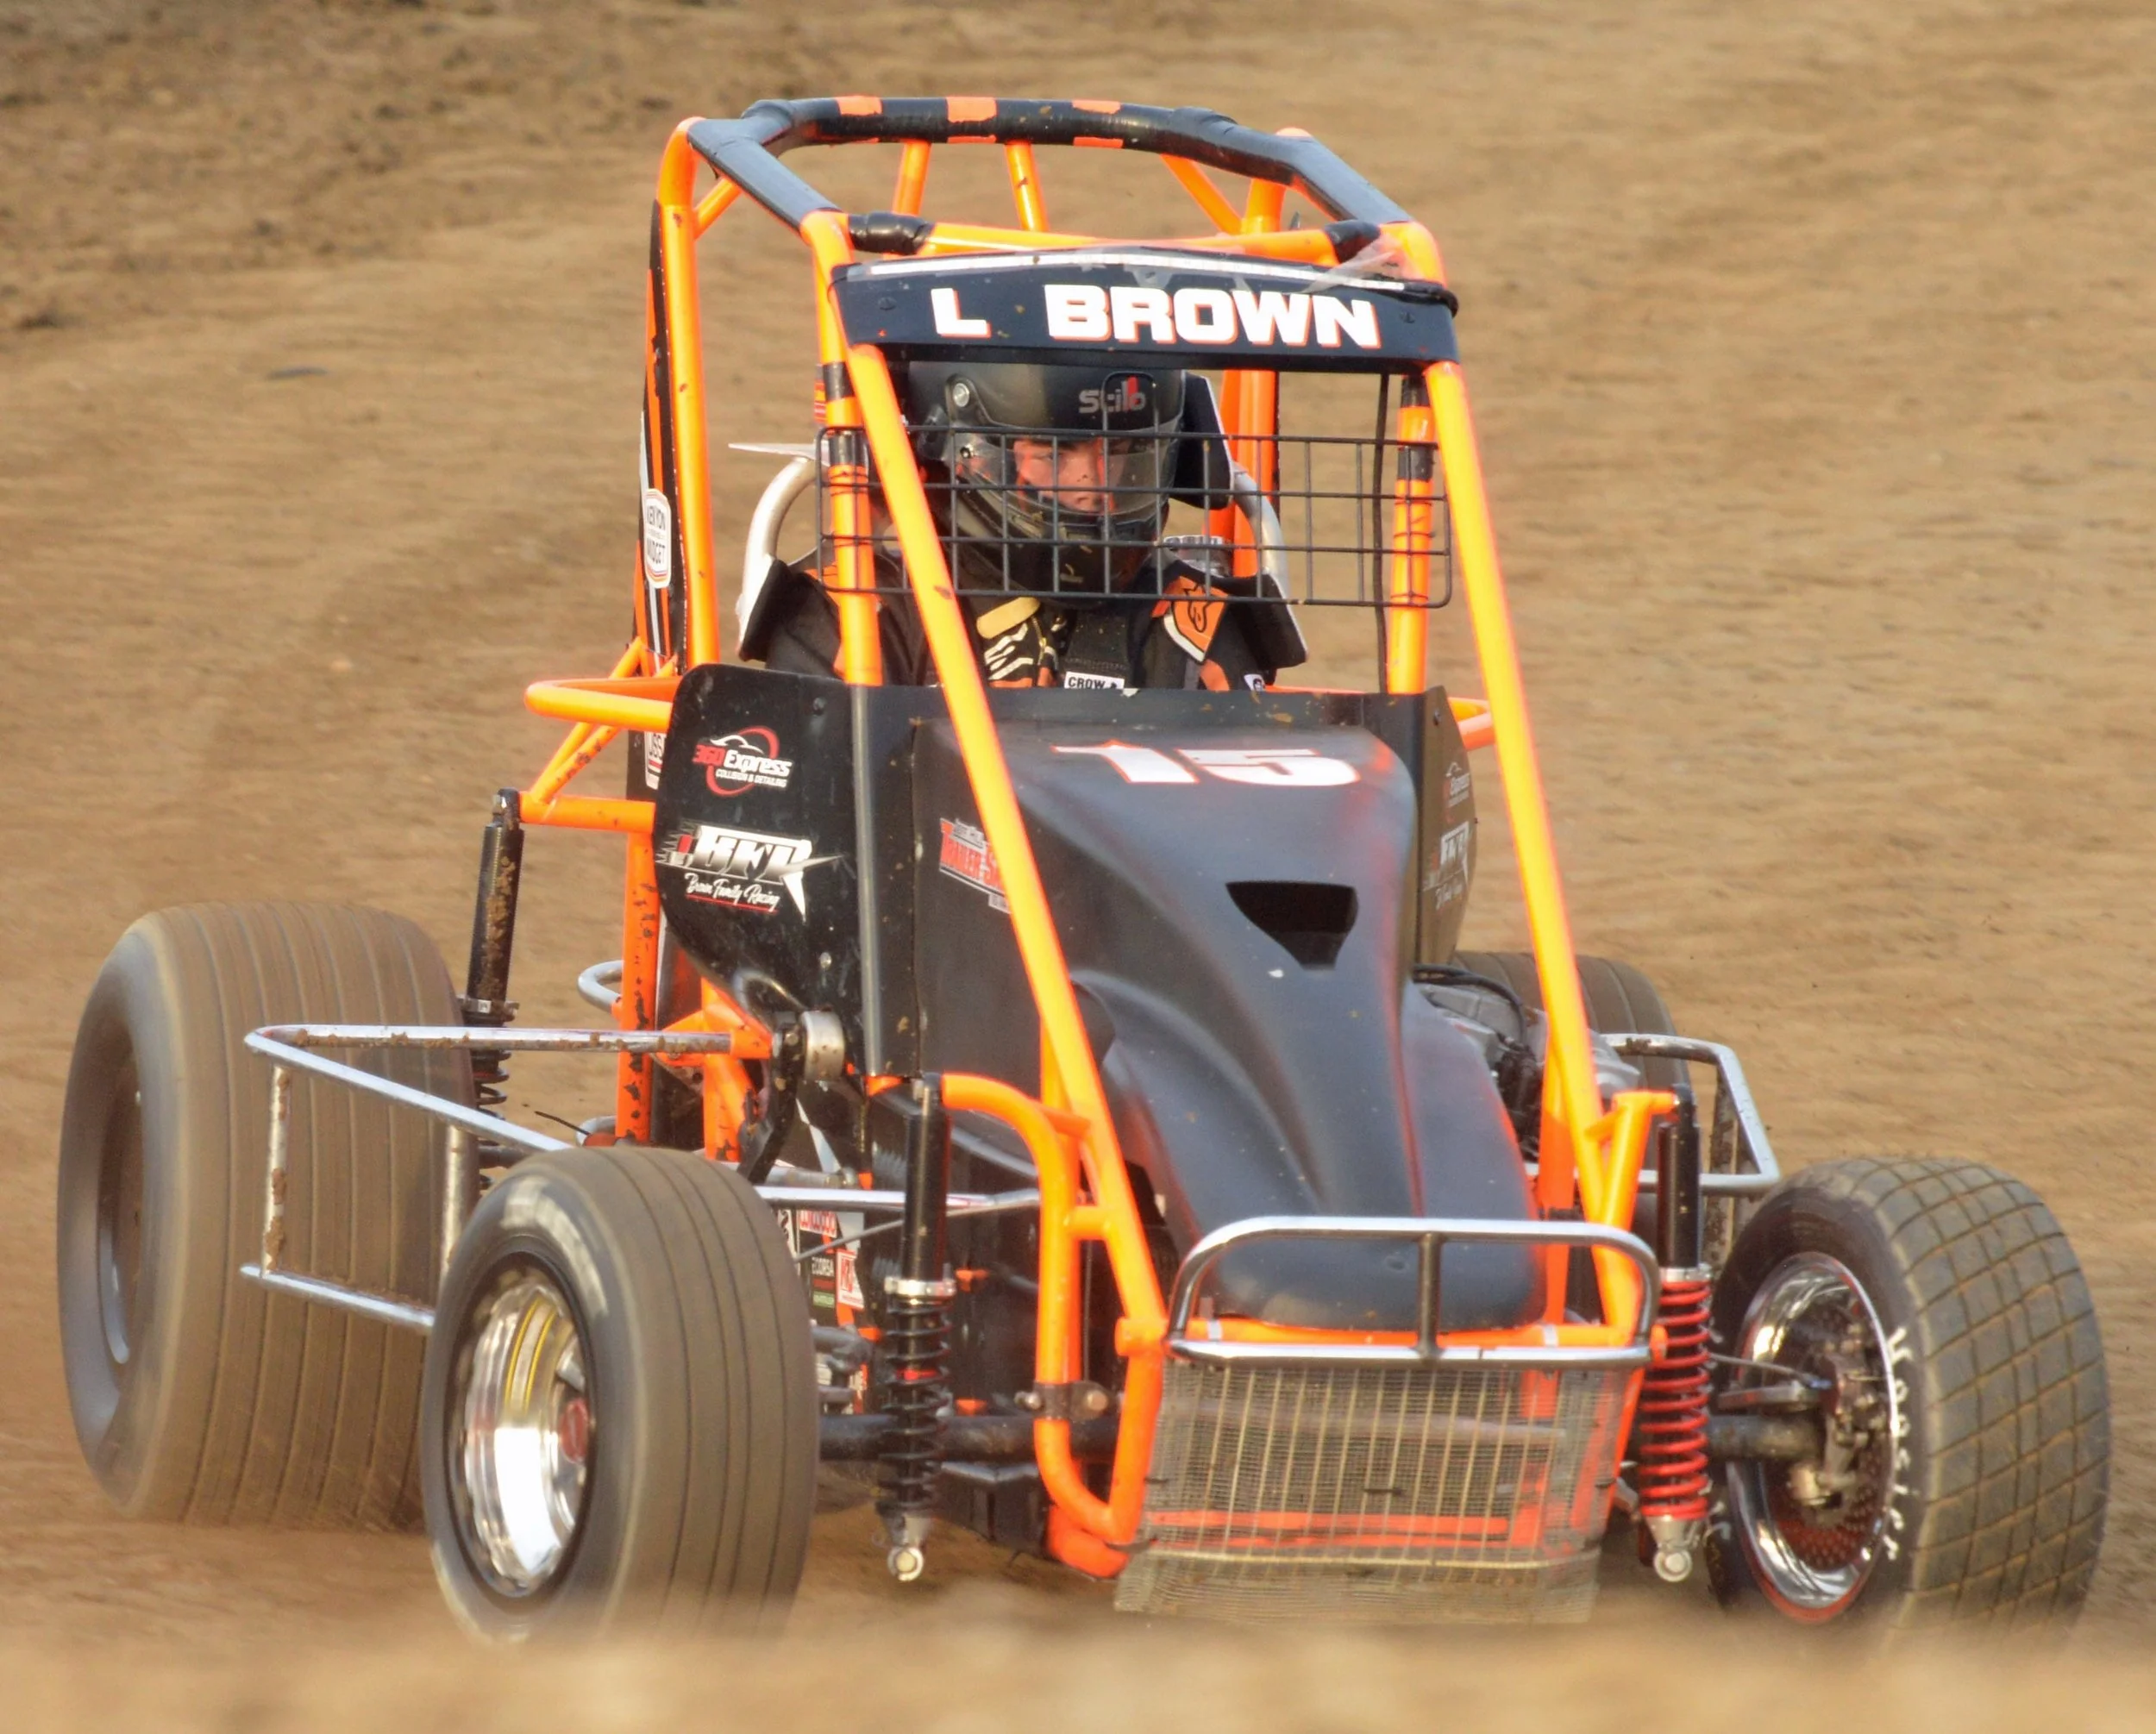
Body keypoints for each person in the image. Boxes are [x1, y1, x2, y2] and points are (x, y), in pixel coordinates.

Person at [743, 361, 1304, 691]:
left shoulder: (1194, 620)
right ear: (971, 458)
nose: (1096, 483)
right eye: (1056, 451)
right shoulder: (856, 613)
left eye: (1123, 450)